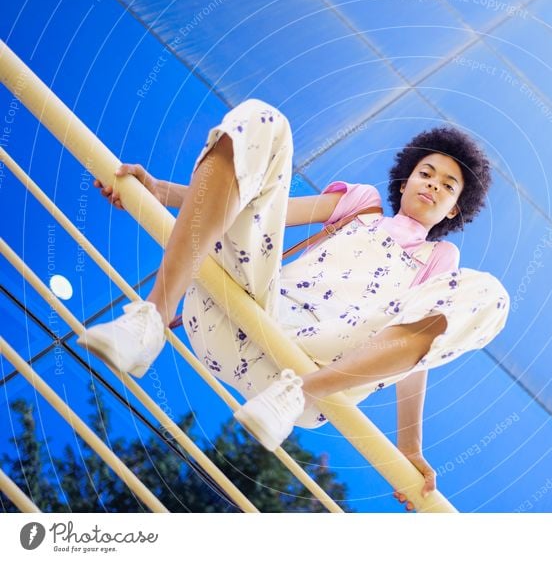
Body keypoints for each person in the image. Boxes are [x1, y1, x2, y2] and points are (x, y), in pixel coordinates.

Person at [80, 99, 509, 509]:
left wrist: (409, 450)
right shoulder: (360, 205)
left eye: (448, 185)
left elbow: (415, 357)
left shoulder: (439, 262)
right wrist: (160, 191)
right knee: (263, 120)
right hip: (245, 314)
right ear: (404, 181)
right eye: (426, 173)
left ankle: (295, 392)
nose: (433, 184)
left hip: (309, 377)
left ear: (455, 210)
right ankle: (151, 318)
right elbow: (256, 200)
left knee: (491, 296)